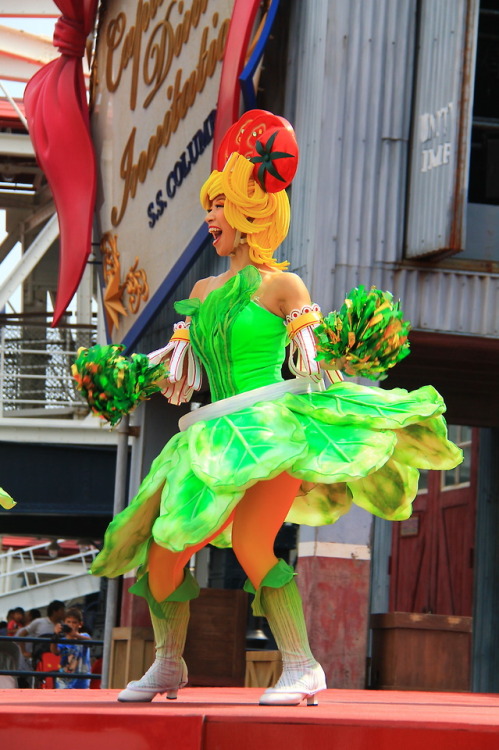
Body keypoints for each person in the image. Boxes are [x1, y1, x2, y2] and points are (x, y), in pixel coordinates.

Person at [89, 110, 462, 706]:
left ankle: (302, 665)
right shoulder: (203, 295)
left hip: (269, 430)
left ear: (247, 209)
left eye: (218, 206)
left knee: (252, 546)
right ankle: (167, 664)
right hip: (207, 440)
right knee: (162, 550)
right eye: (209, 206)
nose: (209, 217)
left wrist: (356, 340)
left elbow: (316, 359)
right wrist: (123, 378)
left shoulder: (283, 288)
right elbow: (174, 370)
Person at [51, 608, 91, 689]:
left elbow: (89, 641)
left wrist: (75, 635)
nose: (71, 625)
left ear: (80, 624)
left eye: (74, 622)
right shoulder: (62, 641)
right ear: (64, 623)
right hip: (64, 681)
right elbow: (55, 651)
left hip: (81, 681)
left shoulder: (84, 636)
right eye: (68, 622)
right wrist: (55, 635)